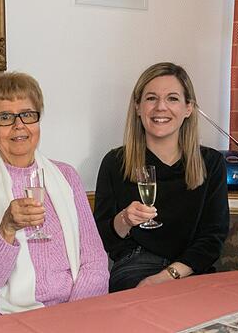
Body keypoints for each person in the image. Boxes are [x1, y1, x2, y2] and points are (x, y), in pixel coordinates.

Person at [0, 71, 109, 322]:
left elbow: (96, 264)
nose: (19, 126)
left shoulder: (66, 176)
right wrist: (6, 229)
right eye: (5, 117)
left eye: (27, 114)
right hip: (1, 319)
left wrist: (70, 317)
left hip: (72, 314)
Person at [94, 62, 229, 292]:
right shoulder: (115, 163)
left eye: (173, 98)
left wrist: (169, 275)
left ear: (188, 108)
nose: (160, 107)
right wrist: (125, 219)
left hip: (191, 269)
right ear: (137, 107)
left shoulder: (211, 162)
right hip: (135, 267)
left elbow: (212, 238)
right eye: (151, 98)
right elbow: (102, 238)